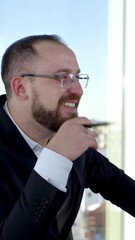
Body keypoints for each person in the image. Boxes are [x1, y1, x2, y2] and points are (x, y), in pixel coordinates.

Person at [0, 34, 135, 240]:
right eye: (62, 77)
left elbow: (115, 183)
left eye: (78, 77)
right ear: (21, 88)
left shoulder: (69, 136)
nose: (78, 90)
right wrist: (56, 159)